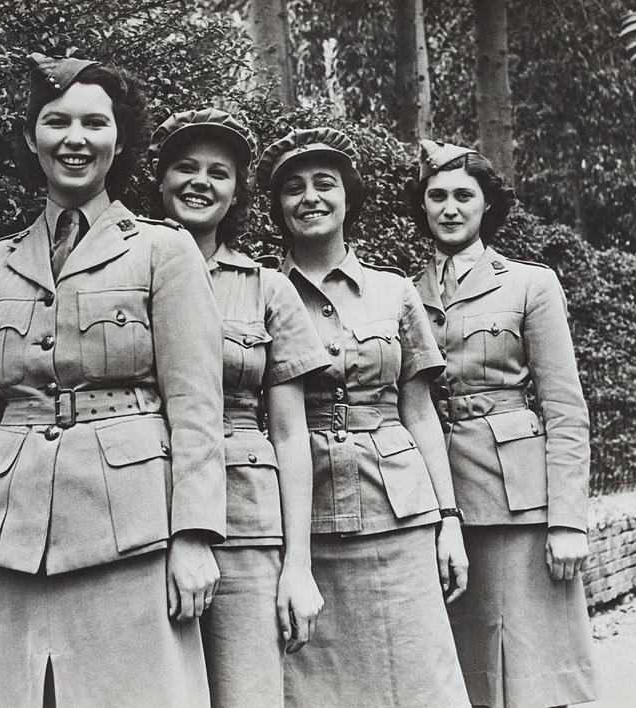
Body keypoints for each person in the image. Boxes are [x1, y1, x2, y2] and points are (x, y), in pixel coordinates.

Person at [0, 54, 226, 707]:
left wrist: (195, 537)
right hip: (12, 542)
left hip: (131, 535)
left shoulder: (162, 251)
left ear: (119, 140)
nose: (75, 138)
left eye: (95, 122)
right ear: (32, 136)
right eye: (56, 121)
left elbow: (197, 408)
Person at [256, 127, 470, 708]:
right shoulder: (259, 292)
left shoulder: (394, 291)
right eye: (293, 188)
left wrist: (449, 518)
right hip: (305, 521)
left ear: (349, 198)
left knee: (419, 681)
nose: (310, 198)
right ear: (277, 208)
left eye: (325, 184)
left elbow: (420, 411)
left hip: (400, 515)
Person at [147, 108, 327, 707]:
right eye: (185, 167)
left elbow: (291, 434)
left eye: (218, 173)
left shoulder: (266, 288)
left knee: (246, 693)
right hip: (140, 514)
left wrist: (297, 566)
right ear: (160, 178)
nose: (200, 182)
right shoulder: (119, 274)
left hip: (245, 521)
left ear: (235, 194)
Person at [410, 140, 598, 708]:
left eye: (464, 196)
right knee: (462, 674)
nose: (449, 208)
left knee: (532, 672)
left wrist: (568, 521)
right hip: (436, 499)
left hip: (518, 502)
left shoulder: (528, 284)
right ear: (421, 206)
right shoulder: (403, 292)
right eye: (435, 195)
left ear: (487, 205)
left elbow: (565, 409)